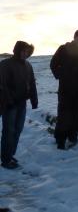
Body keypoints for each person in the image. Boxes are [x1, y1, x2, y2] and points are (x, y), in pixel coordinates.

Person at [0, 41, 38, 169]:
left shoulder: (28, 65)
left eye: (27, 52)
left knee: (18, 130)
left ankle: (10, 154)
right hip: (9, 104)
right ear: (17, 50)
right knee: (8, 131)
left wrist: (34, 100)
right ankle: (5, 159)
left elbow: (32, 83)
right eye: (23, 51)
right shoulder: (5, 64)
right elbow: (2, 85)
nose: (25, 54)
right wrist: (9, 101)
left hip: (22, 103)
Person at [50, 29, 78, 149]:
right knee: (63, 114)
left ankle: (73, 136)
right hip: (65, 88)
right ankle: (60, 139)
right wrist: (61, 74)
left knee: (76, 114)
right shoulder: (63, 48)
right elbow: (53, 64)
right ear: (75, 37)